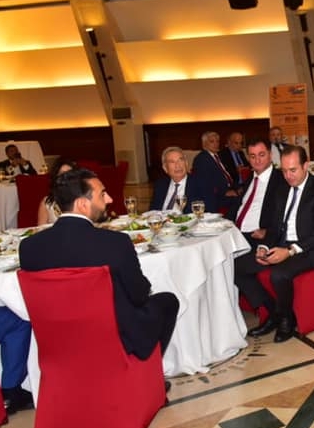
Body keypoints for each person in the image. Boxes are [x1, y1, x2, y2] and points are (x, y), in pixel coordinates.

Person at [19, 167, 180, 364]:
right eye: (102, 194)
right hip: (112, 339)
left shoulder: (29, 247)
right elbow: (139, 295)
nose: (110, 199)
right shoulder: (115, 242)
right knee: (168, 301)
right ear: (82, 204)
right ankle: (145, 370)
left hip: (58, 340)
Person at [234, 145, 314, 343]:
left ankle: (287, 319)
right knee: (237, 266)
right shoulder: (282, 189)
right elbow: (275, 226)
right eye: (284, 171)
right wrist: (264, 247)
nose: (288, 176)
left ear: (305, 165)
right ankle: (274, 311)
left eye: (293, 170)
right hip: (283, 244)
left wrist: (290, 251)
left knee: (279, 274)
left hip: (311, 248)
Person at [227, 138, 288, 245]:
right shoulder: (250, 179)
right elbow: (239, 205)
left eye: (261, 155)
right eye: (253, 156)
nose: (257, 160)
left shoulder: (282, 180)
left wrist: (269, 232)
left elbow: (288, 212)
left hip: (257, 237)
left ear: (270, 155)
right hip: (233, 234)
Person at [192, 131, 239, 214]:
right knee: (241, 201)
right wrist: (225, 192)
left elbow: (225, 176)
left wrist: (236, 188)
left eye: (217, 141)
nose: (216, 144)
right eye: (212, 141)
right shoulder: (202, 159)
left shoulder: (217, 156)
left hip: (228, 189)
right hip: (215, 197)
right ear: (204, 144)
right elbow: (204, 185)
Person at [149, 146, 205, 212]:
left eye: (180, 160)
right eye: (172, 162)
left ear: (186, 163)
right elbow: (152, 211)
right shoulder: (160, 185)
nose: (178, 165)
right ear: (165, 168)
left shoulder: (200, 183)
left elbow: (208, 211)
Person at [37, 157, 77, 225]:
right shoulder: (46, 203)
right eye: (62, 174)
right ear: (56, 178)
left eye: (69, 174)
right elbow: (41, 229)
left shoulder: (83, 200)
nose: (66, 177)